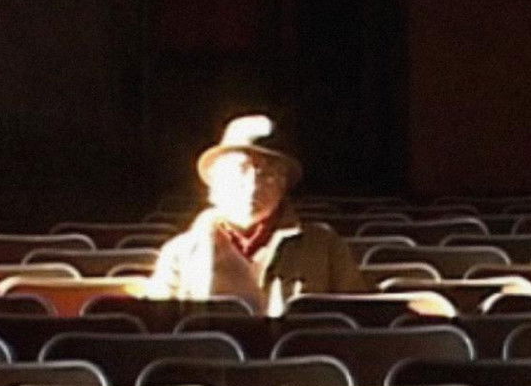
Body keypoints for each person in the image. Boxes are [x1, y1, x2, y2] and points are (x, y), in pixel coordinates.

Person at [146, 114, 367, 312]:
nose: (253, 185)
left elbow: (357, 320)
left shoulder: (324, 246)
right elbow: (162, 330)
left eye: (267, 174)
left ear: (283, 185)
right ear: (214, 182)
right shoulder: (179, 253)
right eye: (240, 170)